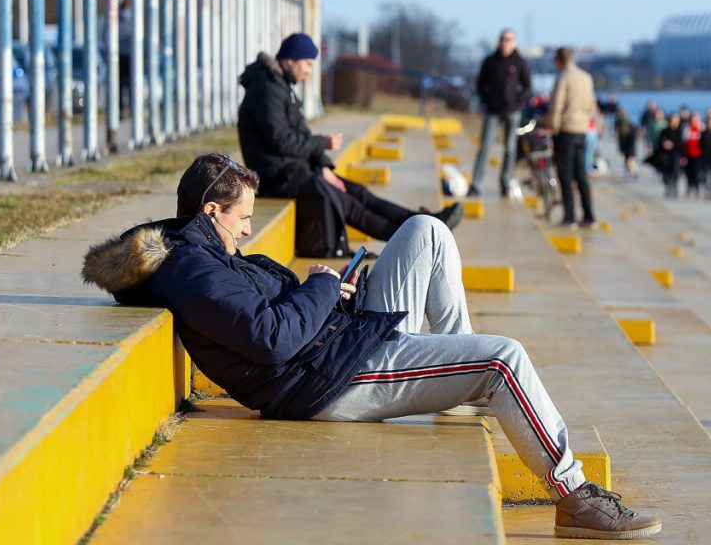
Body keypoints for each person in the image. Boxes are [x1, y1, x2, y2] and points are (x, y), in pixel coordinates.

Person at [80, 154, 660, 540]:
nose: (249, 229)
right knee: (503, 358)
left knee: (426, 231)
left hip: (339, 340)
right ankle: (574, 496)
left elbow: (276, 316)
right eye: (243, 218)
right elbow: (272, 340)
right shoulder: (196, 270)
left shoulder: (206, 252)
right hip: (327, 381)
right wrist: (323, 286)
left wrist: (333, 293)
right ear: (211, 211)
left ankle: (457, 376)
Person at [237, 33, 460, 258]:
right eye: (307, 64)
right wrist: (322, 143)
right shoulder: (265, 91)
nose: (309, 71)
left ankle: (425, 221)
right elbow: (282, 141)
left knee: (360, 193)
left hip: (295, 169)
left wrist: (324, 166)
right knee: (350, 204)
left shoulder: (280, 86)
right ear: (289, 60)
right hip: (277, 176)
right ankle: (417, 237)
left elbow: (301, 133)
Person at [471, 29, 532, 198]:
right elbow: (480, 83)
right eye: (502, 39)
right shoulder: (490, 61)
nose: (505, 43)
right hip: (493, 110)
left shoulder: (519, 62)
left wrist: (518, 101)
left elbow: (527, 86)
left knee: (510, 148)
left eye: (508, 40)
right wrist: (486, 100)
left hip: (512, 111)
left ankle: (505, 182)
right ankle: (476, 184)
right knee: (485, 146)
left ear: (514, 42)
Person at [544, 47, 598, 228]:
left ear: (558, 61)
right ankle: (589, 216)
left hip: (565, 131)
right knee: (581, 175)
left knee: (565, 175)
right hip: (581, 130)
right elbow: (591, 105)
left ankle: (570, 217)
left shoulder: (563, 78)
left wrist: (552, 127)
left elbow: (557, 105)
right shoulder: (586, 77)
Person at [651, 113, 683, 198]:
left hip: (676, 155)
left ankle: (674, 189)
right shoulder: (665, 131)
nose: (675, 122)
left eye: (677, 120)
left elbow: (682, 144)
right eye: (674, 120)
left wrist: (683, 156)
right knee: (666, 173)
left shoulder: (680, 131)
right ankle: (667, 188)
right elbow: (659, 141)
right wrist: (664, 143)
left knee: (675, 173)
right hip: (666, 155)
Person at [682, 112, 705, 199]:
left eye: (696, 119)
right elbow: (684, 142)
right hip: (688, 154)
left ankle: (697, 189)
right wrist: (683, 155)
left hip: (698, 155)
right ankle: (689, 189)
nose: (695, 121)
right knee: (688, 173)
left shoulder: (702, 128)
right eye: (693, 119)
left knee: (696, 172)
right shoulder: (687, 129)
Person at [614, 108, 639, 179]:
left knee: (630, 159)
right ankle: (632, 172)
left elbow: (634, 134)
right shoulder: (618, 122)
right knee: (627, 159)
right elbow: (617, 133)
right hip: (624, 143)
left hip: (629, 143)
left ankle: (634, 171)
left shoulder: (628, 122)